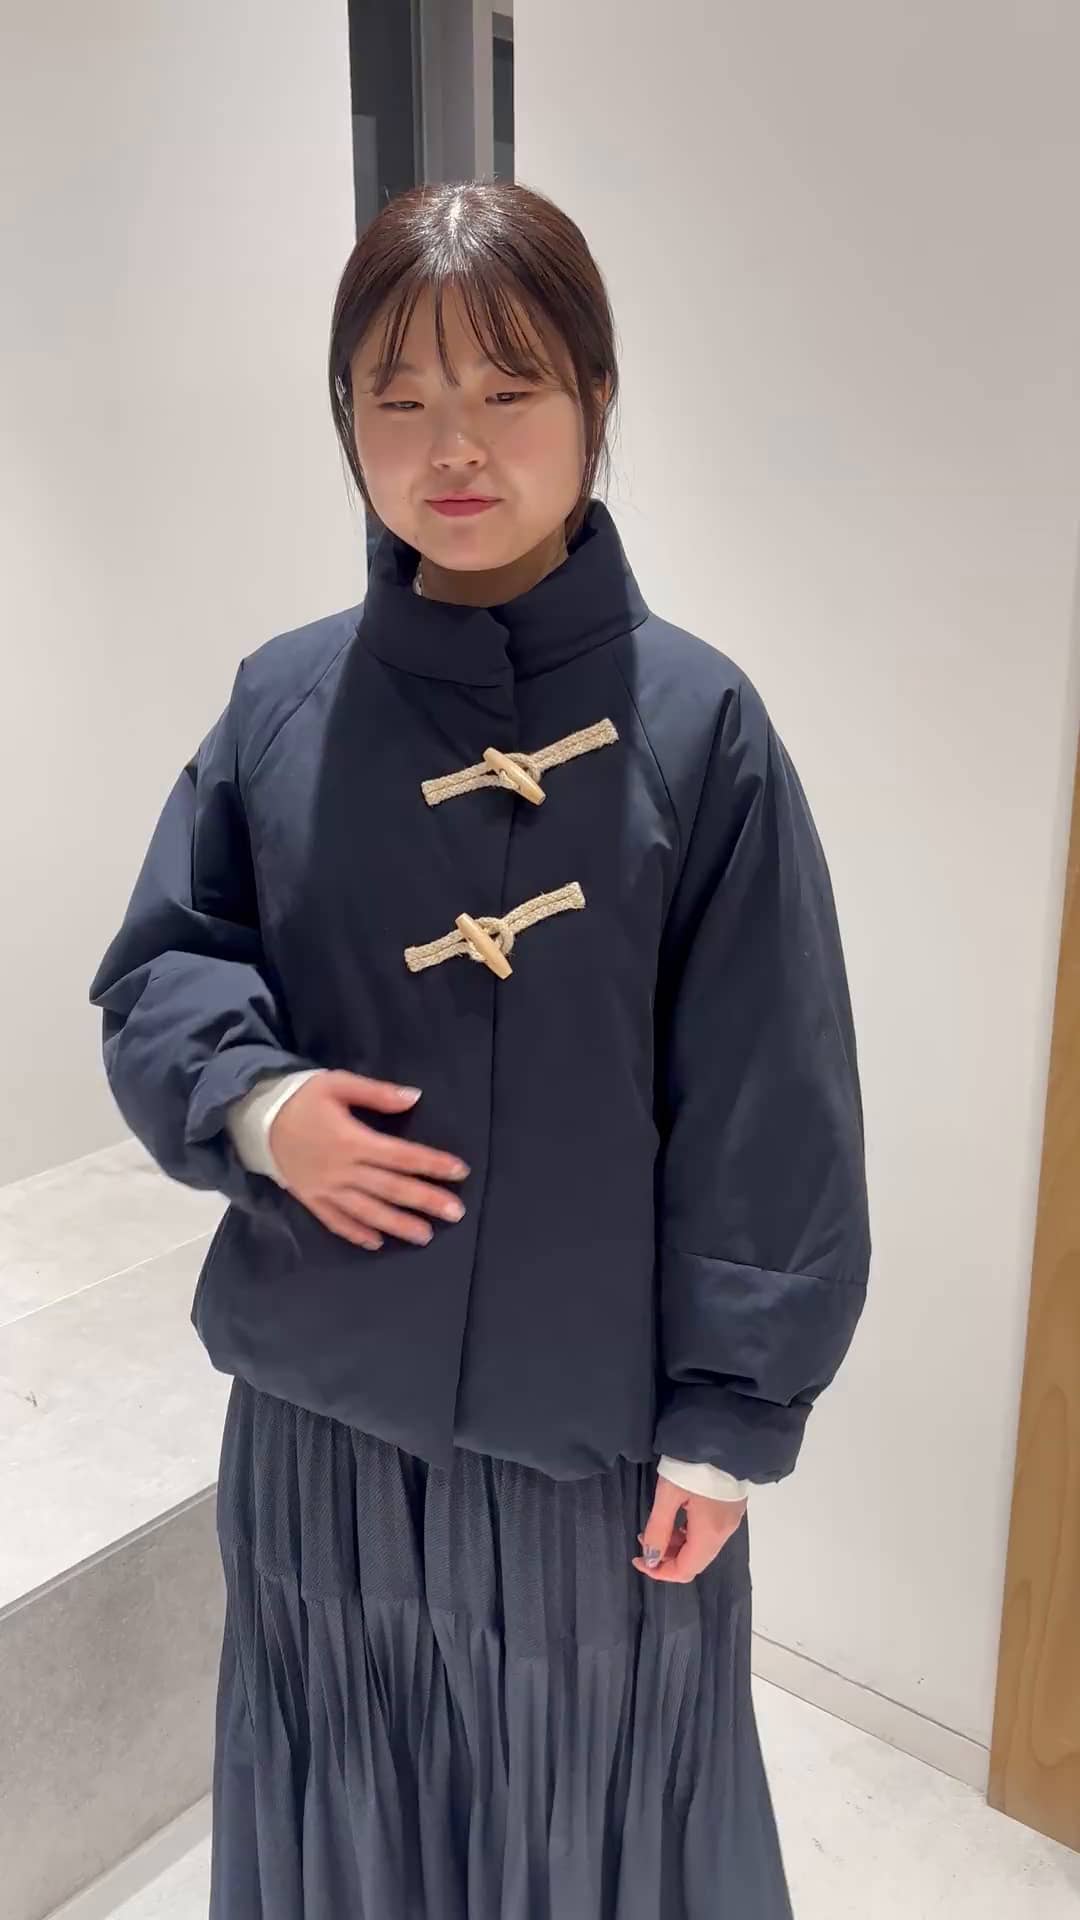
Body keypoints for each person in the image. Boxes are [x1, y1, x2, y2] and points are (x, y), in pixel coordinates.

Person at [90, 180, 870, 1920]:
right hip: (321, 1427)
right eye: (399, 397)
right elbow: (164, 971)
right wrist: (261, 1104)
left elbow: (773, 1101)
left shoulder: (701, 726)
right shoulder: (283, 702)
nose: (453, 445)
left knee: (589, 1806)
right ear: (346, 421)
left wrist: (728, 1421)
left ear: (597, 401)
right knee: (343, 1790)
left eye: (508, 390)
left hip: (591, 1450)